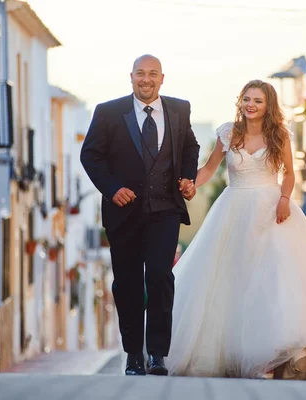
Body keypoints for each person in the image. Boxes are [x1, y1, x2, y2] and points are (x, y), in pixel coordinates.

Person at [166, 80, 306, 381]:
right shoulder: (227, 133)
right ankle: (231, 355)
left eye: (257, 101)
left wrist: (285, 200)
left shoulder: (279, 135)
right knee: (232, 281)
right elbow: (209, 168)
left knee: (275, 282)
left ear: (268, 105)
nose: (250, 105)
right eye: (246, 99)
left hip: (272, 211)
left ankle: (282, 356)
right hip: (232, 209)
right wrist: (193, 185)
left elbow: (289, 174)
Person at [80, 54, 199, 376]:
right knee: (128, 283)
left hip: (165, 209)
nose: (146, 79)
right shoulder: (108, 112)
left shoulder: (179, 109)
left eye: (153, 74)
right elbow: (90, 154)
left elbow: (190, 147)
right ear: (131, 76)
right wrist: (112, 188)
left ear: (162, 78)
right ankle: (134, 354)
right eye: (140, 74)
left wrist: (188, 178)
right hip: (124, 212)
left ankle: (158, 354)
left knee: (160, 275)